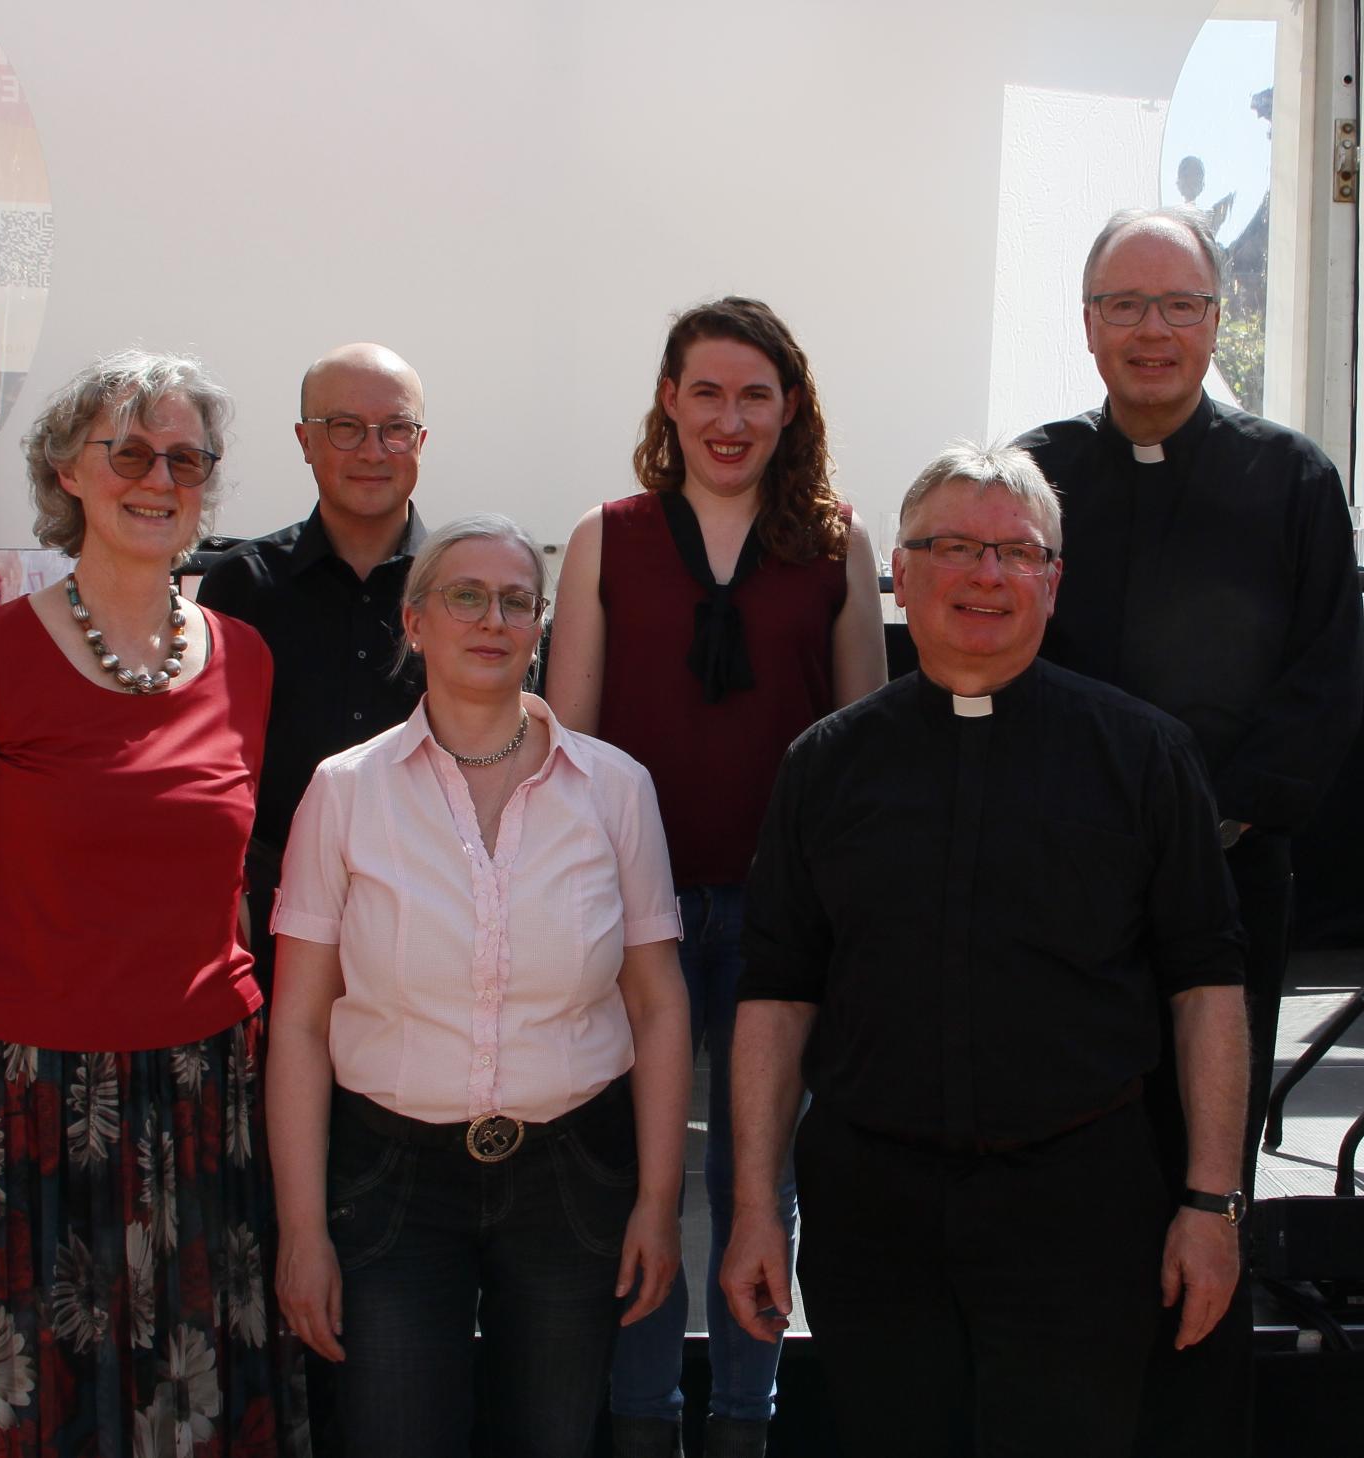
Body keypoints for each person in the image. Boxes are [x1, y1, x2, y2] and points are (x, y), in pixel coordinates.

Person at [720, 443, 1249, 1458]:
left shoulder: (1142, 755)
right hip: (875, 1218)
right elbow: (777, 996)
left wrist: (1212, 1202)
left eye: (1017, 553)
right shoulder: (825, 769)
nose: (987, 576)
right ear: (901, 574)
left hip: (1081, 1211)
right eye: (954, 546)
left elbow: (1206, 987)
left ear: (1055, 580)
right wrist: (753, 1208)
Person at [0, 349, 304, 1456]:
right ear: (67, 471)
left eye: (185, 456)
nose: (157, 476)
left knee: (196, 1416)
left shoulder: (248, 662)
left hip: (204, 1099)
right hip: (29, 1107)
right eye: (127, 450)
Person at [1017, 205, 1364, 1454]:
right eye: (1124, 306)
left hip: (1226, 881)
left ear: (1220, 321)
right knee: (1058, 1161)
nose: (1151, 332)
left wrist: (1204, 825)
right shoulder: (1031, 474)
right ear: (1089, 324)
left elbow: (1327, 690)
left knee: (1205, 1176)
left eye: (1178, 306)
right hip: (1058, 895)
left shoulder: (1291, 479)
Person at [266, 514, 693, 1458]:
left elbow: (659, 1005)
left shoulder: (616, 790)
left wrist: (658, 1203)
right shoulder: (345, 791)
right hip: (391, 1182)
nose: (491, 619)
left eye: (515, 600)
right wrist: (302, 1227)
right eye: (465, 595)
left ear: (540, 627)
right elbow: (297, 1022)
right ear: (415, 624)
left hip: (571, 1178)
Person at [546, 296, 885, 1458]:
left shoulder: (839, 541)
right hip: (632, 917)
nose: (729, 418)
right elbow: (572, 750)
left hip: (782, 922)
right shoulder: (606, 534)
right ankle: (641, 1424)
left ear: (791, 408)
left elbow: (863, 746)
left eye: (754, 394)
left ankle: (745, 1424)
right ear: (669, 403)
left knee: (756, 1186)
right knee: (640, 1186)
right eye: (707, 392)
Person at [198, 343, 430, 995]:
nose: (373, 450)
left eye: (396, 428)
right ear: (305, 440)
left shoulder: (460, 589)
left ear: (422, 440)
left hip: (429, 923)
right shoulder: (239, 587)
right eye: (345, 427)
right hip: (268, 926)